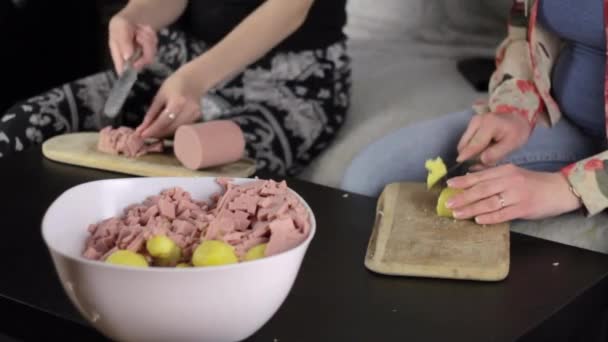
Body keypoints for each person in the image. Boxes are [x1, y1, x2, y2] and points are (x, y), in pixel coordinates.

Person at [0, 0, 351, 176]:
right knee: (17, 129)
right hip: (175, 62)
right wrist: (133, 17)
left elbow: (289, 9)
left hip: (289, 86)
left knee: (196, 186)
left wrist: (198, 78)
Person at [342, 0, 608, 225]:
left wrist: (567, 188)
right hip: (561, 118)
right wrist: (514, 108)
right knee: (366, 179)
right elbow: (525, 36)